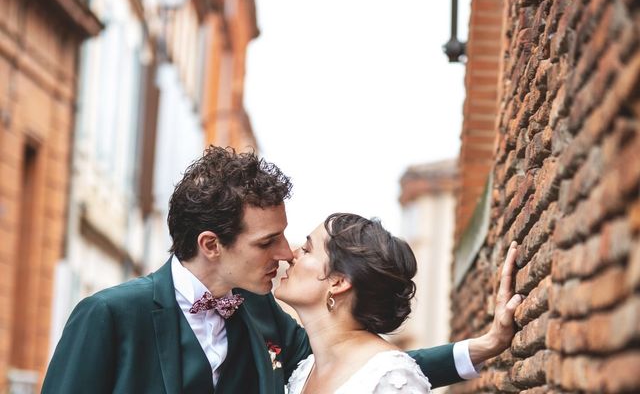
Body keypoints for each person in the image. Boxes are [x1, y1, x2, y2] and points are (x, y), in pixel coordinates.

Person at [42, 146, 522, 394]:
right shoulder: (107, 316)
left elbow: (367, 374)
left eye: (287, 236)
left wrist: (479, 348)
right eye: (266, 241)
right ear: (211, 245)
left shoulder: (261, 313)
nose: (285, 252)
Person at [278, 213, 431, 393]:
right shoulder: (305, 372)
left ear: (339, 282)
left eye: (306, 250)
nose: (291, 255)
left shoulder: (390, 376)